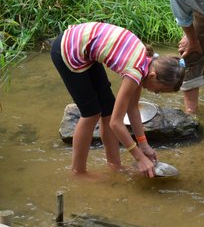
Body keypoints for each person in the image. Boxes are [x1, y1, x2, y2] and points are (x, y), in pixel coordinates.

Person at [51, 22, 185, 179]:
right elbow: (116, 123)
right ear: (153, 76)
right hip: (67, 51)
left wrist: (144, 145)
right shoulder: (135, 72)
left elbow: (132, 108)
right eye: (159, 89)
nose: (155, 92)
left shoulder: (146, 64)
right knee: (91, 113)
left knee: (108, 110)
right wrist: (139, 157)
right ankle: (78, 172)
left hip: (84, 50)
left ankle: (114, 165)